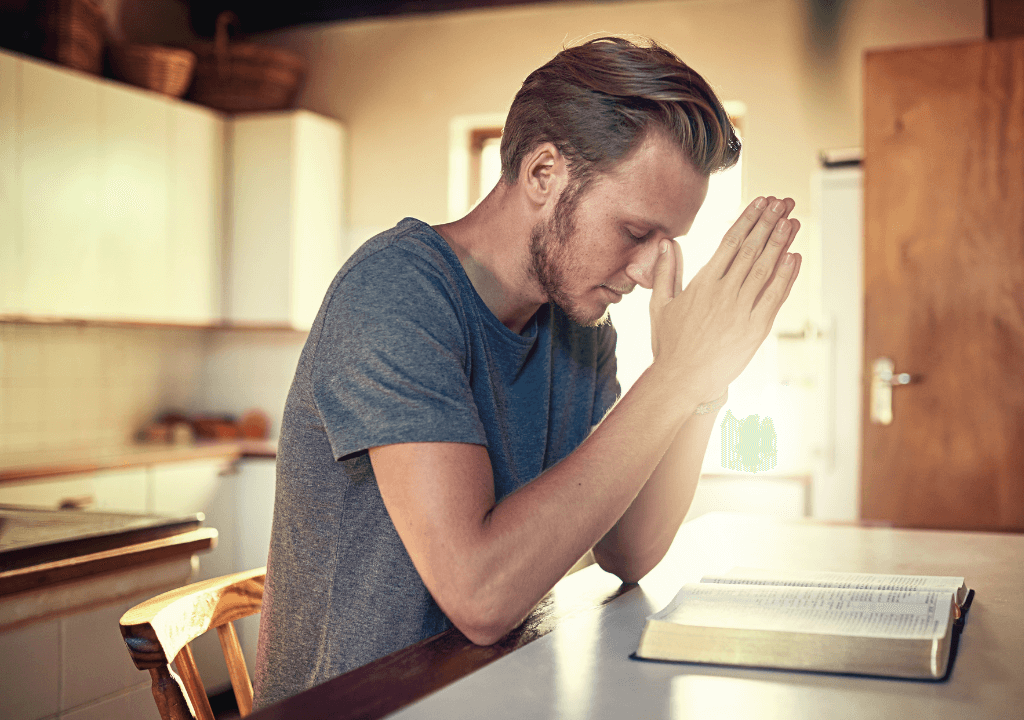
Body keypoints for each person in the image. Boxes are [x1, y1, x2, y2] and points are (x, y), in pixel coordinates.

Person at [252, 35, 802, 709]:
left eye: (666, 245)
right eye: (635, 232)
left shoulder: (579, 326)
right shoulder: (397, 291)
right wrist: (673, 381)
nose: (646, 270)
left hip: (488, 694)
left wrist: (701, 384)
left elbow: (628, 551)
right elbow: (479, 595)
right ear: (544, 172)